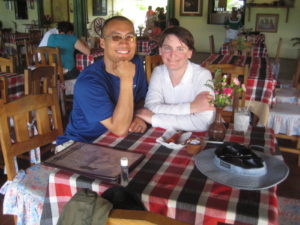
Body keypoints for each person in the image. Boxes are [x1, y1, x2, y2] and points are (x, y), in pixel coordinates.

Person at [56, 16, 148, 144]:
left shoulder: (135, 63)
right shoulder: (88, 82)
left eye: (129, 37)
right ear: (103, 43)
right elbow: (120, 129)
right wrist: (126, 78)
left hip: (114, 139)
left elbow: (142, 99)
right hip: (80, 144)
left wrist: (137, 116)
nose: (124, 43)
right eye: (116, 37)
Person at [136, 26, 215, 131]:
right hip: (164, 135)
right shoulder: (158, 72)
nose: (173, 55)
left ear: (190, 53)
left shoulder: (203, 75)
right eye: (168, 48)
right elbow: (150, 107)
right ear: (160, 50)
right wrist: (191, 108)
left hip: (197, 139)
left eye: (180, 49)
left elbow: (203, 123)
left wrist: (154, 118)